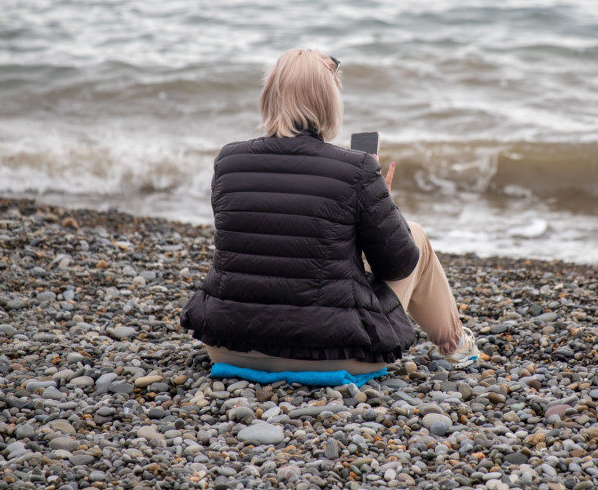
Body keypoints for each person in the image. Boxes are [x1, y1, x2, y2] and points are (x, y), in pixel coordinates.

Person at [180, 48, 480, 373]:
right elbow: (397, 265)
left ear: (270, 96)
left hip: (228, 345)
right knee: (415, 235)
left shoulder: (229, 161)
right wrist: (381, 204)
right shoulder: (357, 168)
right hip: (330, 354)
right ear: (328, 101)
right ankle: (457, 346)